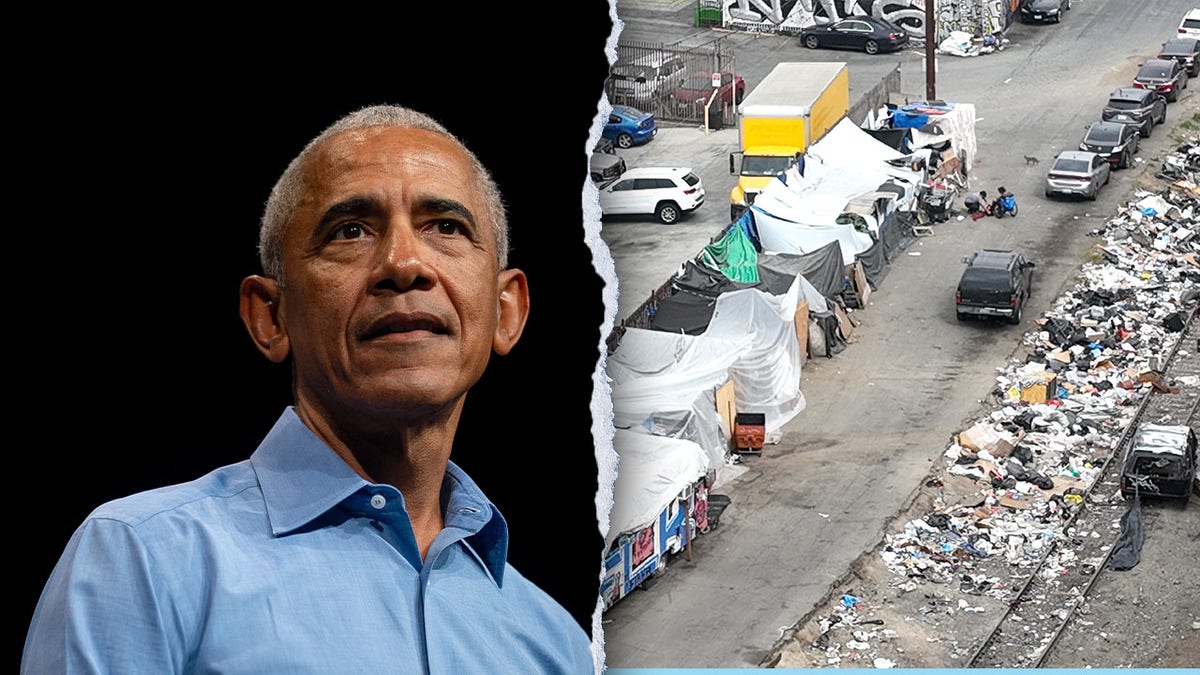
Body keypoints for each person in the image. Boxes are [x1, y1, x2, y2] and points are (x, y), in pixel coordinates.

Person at [22, 104, 596, 674]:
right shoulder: (144, 561)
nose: (403, 264)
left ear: (506, 312)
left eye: (445, 227)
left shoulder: (555, 646)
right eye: (350, 231)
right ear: (270, 317)